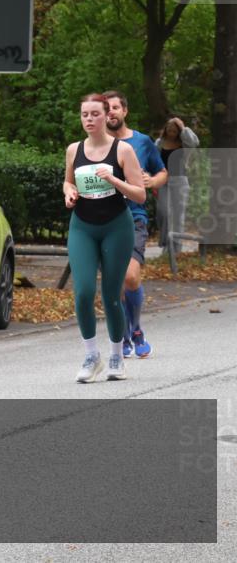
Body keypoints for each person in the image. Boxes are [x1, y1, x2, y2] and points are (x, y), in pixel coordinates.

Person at [64, 93, 146, 383]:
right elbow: (68, 180)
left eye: (95, 114)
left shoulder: (122, 150)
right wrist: (68, 192)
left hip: (116, 227)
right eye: (84, 114)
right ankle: (91, 356)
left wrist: (114, 180)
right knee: (84, 292)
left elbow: (140, 193)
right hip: (82, 227)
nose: (89, 119)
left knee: (112, 295)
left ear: (106, 115)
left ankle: (115, 355)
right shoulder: (74, 149)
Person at [104, 90, 167, 359]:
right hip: (104, 220)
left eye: (115, 107)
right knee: (114, 283)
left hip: (134, 217)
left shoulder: (142, 142)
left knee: (130, 277)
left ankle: (137, 328)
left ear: (124, 111)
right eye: (106, 108)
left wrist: (153, 181)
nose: (111, 112)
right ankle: (124, 334)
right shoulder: (95, 145)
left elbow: (163, 171)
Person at [155, 116, 200, 256]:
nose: (171, 132)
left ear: (179, 131)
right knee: (163, 212)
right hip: (163, 181)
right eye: (169, 129)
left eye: (175, 130)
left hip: (180, 181)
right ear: (166, 130)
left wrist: (184, 127)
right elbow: (153, 161)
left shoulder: (184, 143)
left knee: (178, 216)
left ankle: (176, 248)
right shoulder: (159, 143)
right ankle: (165, 242)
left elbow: (195, 142)